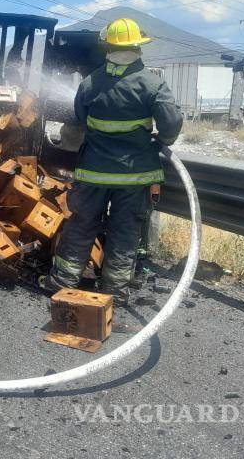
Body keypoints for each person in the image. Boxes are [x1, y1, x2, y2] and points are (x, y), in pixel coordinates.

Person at [44, 18, 183, 306]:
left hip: (93, 172)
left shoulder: (90, 83)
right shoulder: (153, 84)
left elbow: (82, 120)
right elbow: (171, 124)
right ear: (138, 48)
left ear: (106, 47)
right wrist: (162, 140)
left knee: (81, 224)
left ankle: (60, 282)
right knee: (124, 231)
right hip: (134, 177)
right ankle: (114, 291)